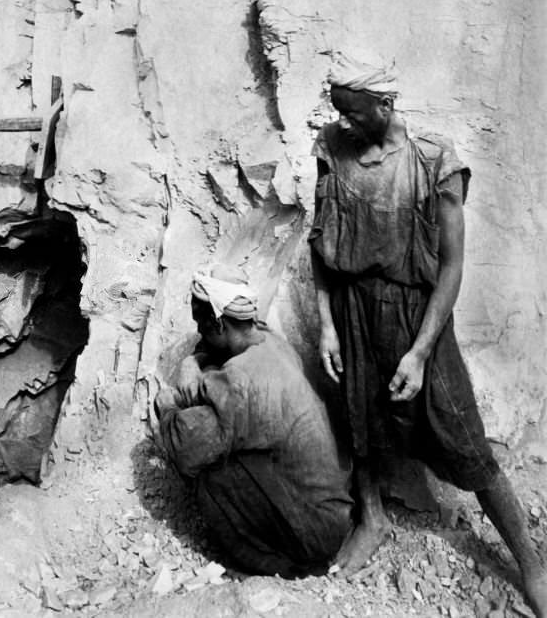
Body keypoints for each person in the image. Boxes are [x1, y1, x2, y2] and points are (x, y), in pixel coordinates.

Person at [309, 51, 546, 615]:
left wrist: (419, 352)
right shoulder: (332, 150)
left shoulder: (433, 161)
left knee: (461, 430)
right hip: (352, 307)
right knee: (360, 416)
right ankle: (372, 518)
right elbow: (318, 242)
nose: (343, 123)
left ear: (385, 105)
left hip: (417, 314)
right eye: (338, 112)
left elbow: (452, 267)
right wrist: (325, 323)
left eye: (353, 112)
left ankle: (531, 563)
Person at [154, 264, 353, 577]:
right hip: (333, 511)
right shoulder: (271, 342)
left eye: (201, 324)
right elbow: (214, 352)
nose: (199, 332)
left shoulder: (242, 380)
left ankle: (275, 569)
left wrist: (168, 406)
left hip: (314, 533)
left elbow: (185, 447)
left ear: (218, 325)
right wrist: (195, 360)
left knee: (211, 475)